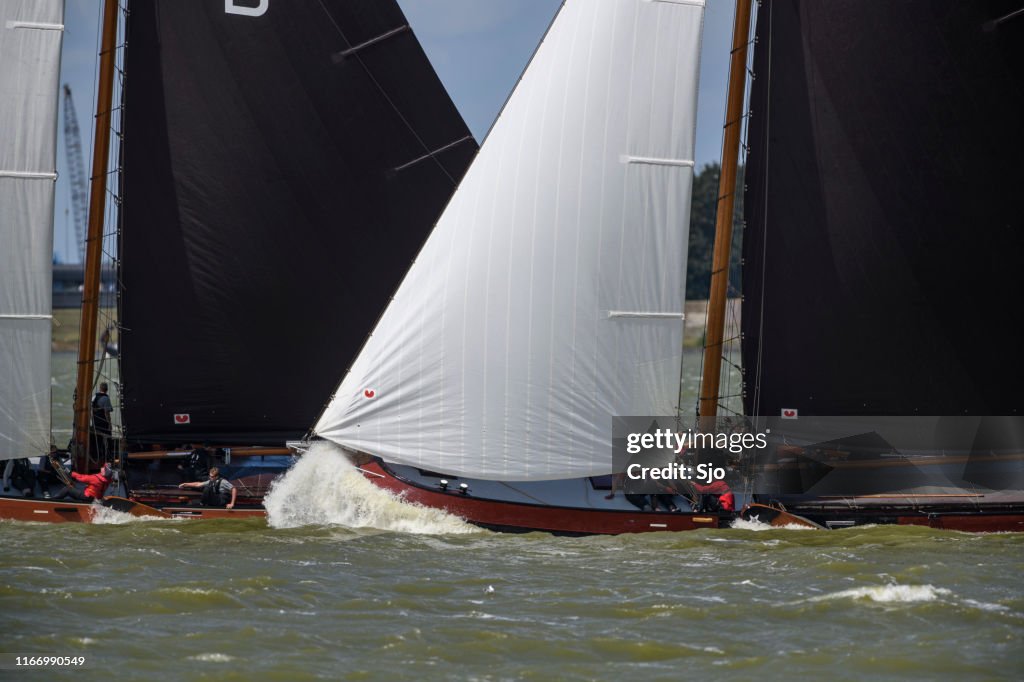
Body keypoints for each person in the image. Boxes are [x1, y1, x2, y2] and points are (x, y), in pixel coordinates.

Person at [91, 382, 113, 458]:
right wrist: (109, 424)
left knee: (97, 439)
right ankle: (109, 456)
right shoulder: (106, 399)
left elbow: (91, 410)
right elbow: (107, 413)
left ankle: (97, 455)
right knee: (108, 438)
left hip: (95, 422)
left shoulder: (94, 397)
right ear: (106, 389)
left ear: (100, 388)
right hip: (103, 423)